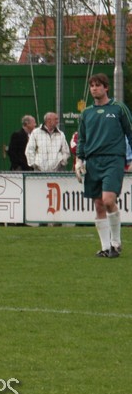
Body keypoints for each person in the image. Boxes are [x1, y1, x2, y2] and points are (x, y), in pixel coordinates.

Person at [75, 73, 132, 258]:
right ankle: (106, 247)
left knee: (108, 200)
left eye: (98, 85)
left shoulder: (119, 108)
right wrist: (79, 160)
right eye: (92, 85)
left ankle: (116, 242)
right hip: (93, 161)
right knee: (99, 204)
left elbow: (130, 132)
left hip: (114, 159)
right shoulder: (86, 113)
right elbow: (82, 139)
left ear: (106, 88)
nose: (94, 88)